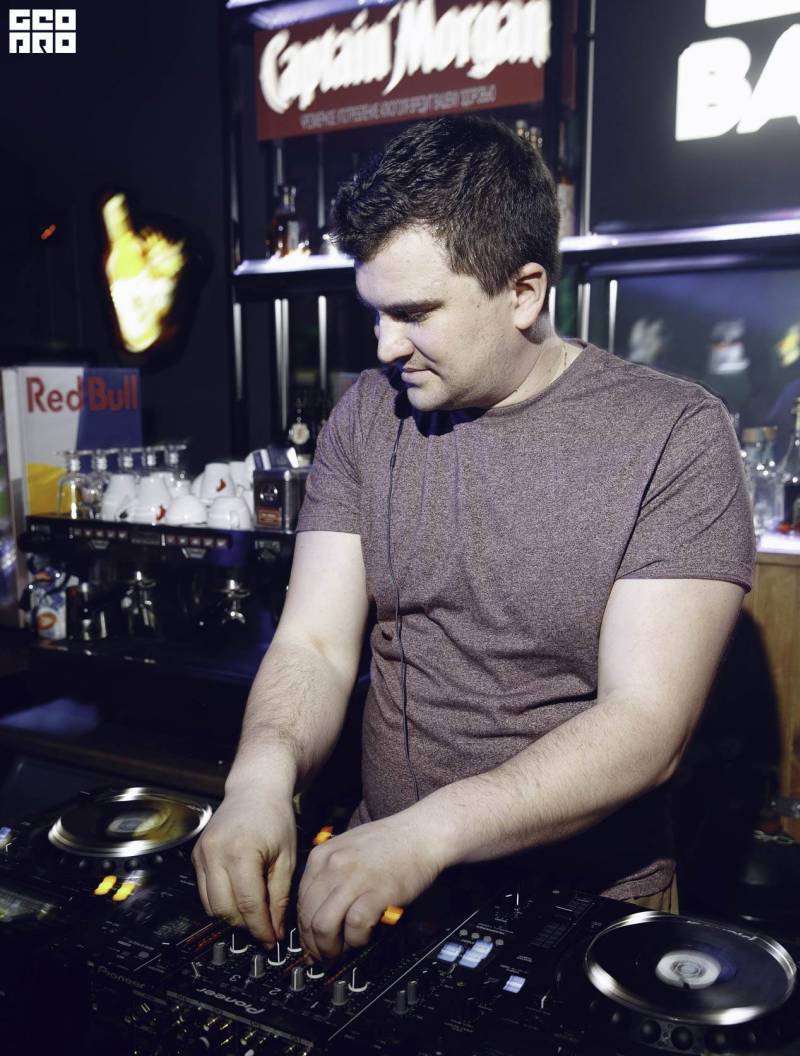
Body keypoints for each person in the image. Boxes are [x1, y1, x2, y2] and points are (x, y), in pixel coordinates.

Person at [192, 115, 755, 962]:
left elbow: (646, 723)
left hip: (584, 905)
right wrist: (259, 781)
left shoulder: (675, 436)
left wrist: (429, 832)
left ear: (523, 292)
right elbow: (313, 644)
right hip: (380, 880)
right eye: (376, 313)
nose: (385, 346)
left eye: (415, 313)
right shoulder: (367, 415)